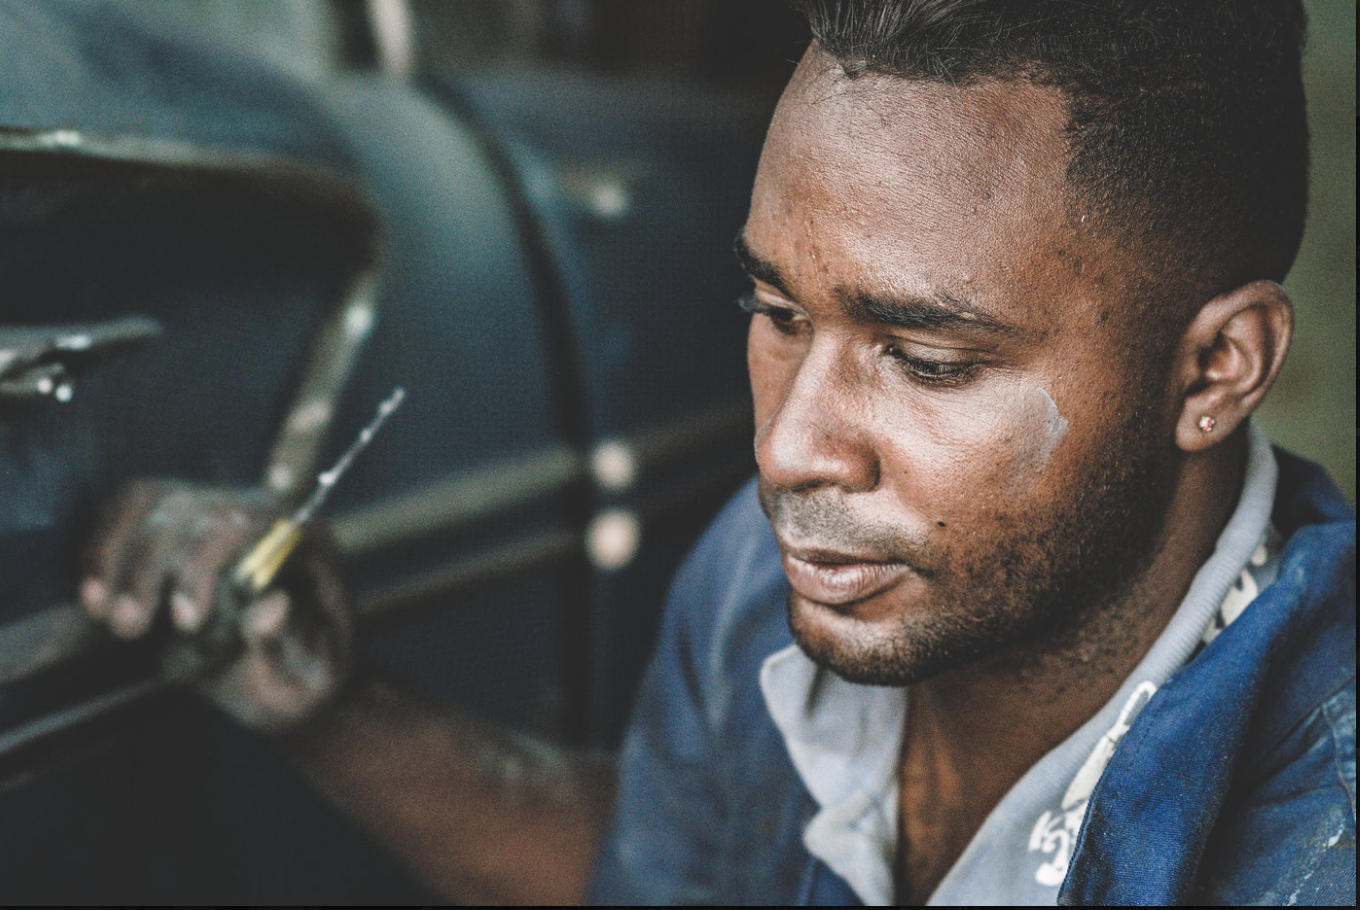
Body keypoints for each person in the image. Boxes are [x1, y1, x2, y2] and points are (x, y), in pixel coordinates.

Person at [78, 0, 1355, 904]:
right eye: (776, 312)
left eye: (925, 359)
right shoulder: (764, 583)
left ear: (1213, 369)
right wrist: (331, 708)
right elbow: (677, 866)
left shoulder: (1315, 836)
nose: (791, 452)